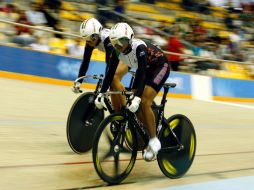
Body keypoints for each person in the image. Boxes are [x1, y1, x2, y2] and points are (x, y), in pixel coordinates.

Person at [94, 23, 170, 161]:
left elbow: (141, 73)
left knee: (144, 102)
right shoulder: (117, 50)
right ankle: (149, 127)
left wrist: (138, 98)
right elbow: (110, 73)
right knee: (135, 103)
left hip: (160, 66)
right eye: (115, 42)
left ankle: (154, 140)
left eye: (122, 41)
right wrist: (101, 93)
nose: (119, 45)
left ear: (130, 39)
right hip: (146, 69)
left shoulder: (139, 47)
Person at [72, 18, 127, 112]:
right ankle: (117, 116)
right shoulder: (91, 41)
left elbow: (110, 63)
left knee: (113, 78)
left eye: (89, 39)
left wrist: (104, 86)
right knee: (111, 86)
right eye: (85, 39)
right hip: (115, 56)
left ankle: (126, 110)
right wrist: (79, 81)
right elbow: (85, 62)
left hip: (126, 56)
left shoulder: (107, 38)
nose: (87, 42)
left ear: (96, 35)